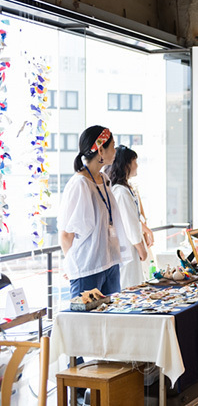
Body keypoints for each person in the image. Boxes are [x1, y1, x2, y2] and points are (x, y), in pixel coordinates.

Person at [58, 125, 130, 298]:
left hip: (109, 262)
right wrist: (73, 264)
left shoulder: (104, 179)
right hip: (87, 269)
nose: (114, 150)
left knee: (111, 320)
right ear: (100, 151)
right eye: (112, 146)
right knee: (86, 323)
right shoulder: (80, 184)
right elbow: (66, 234)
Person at [107, 145, 154, 288]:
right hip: (128, 248)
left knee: (134, 284)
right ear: (126, 164)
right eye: (135, 161)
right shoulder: (121, 191)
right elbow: (129, 223)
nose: (137, 165)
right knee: (131, 287)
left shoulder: (124, 189)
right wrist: (141, 249)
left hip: (129, 247)